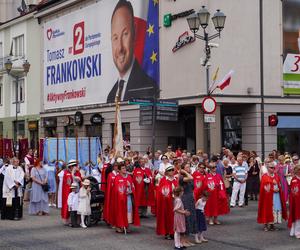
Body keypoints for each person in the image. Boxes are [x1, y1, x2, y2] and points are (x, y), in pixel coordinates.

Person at [106, 0, 156, 103]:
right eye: (115, 38)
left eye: (125, 34)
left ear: (134, 32)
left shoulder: (149, 87)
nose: (120, 48)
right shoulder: (111, 96)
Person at [111, 160, 140, 233]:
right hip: (120, 198)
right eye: (123, 168)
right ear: (119, 170)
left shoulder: (129, 177)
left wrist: (130, 189)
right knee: (120, 212)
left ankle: (127, 225)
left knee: (128, 211)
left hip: (128, 197)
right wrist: (123, 189)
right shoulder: (117, 178)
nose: (124, 170)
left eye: (125, 168)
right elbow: (116, 189)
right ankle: (119, 226)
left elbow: (133, 186)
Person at [257, 162, 287, 231]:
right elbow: (264, 187)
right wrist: (273, 189)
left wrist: (278, 188)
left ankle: (272, 225)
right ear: (267, 168)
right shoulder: (265, 176)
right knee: (266, 209)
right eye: (271, 167)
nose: (273, 169)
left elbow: (279, 184)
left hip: (276, 196)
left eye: (274, 168)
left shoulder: (276, 175)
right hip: (267, 197)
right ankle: (265, 225)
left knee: (275, 209)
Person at [156, 165, 178, 239]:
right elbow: (160, 191)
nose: (172, 171)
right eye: (170, 170)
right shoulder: (163, 180)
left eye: (172, 170)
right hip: (166, 202)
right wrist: (167, 194)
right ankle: (167, 232)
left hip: (175, 202)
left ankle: (173, 232)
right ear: (167, 172)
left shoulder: (176, 179)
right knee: (167, 217)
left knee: (174, 217)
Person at [179, 163, 197, 246]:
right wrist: (184, 172)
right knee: (185, 219)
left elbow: (193, 188)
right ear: (183, 169)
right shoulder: (182, 177)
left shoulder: (189, 176)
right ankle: (182, 240)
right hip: (185, 199)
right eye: (187, 167)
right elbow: (190, 178)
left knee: (191, 218)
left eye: (189, 167)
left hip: (190, 198)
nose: (189, 168)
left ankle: (187, 240)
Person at [61, 160, 82, 224]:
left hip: (77, 191)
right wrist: (72, 173)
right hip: (69, 192)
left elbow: (79, 180)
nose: (76, 167)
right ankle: (67, 219)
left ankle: (78, 219)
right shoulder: (66, 173)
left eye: (76, 166)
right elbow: (69, 182)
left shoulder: (78, 172)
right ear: (71, 167)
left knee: (78, 205)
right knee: (69, 205)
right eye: (74, 166)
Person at [288, 164, 300, 239]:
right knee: (297, 216)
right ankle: (296, 232)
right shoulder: (294, 179)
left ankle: (294, 231)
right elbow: (294, 191)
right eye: (299, 170)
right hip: (296, 201)